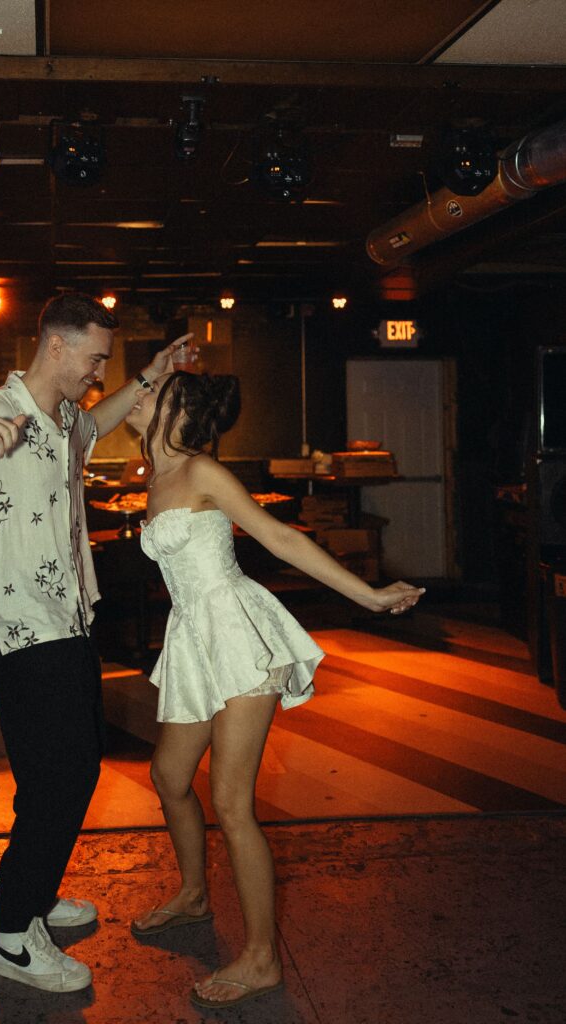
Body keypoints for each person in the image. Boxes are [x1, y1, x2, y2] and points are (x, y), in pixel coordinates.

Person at [0, 293, 189, 994]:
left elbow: (95, 423)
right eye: (93, 358)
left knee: (53, 774)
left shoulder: (58, 418)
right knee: (67, 775)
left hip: (68, 618)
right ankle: (10, 937)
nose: (96, 371)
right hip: (23, 627)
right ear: (56, 346)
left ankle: (34, 890)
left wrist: (149, 376)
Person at [125, 370, 425, 1010]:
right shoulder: (155, 474)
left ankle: (262, 959)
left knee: (232, 802)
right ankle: (193, 893)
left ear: (180, 411)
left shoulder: (205, 472)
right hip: (192, 639)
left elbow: (280, 537)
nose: (137, 396)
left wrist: (369, 596)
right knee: (169, 777)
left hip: (236, 633)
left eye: (152, 391)